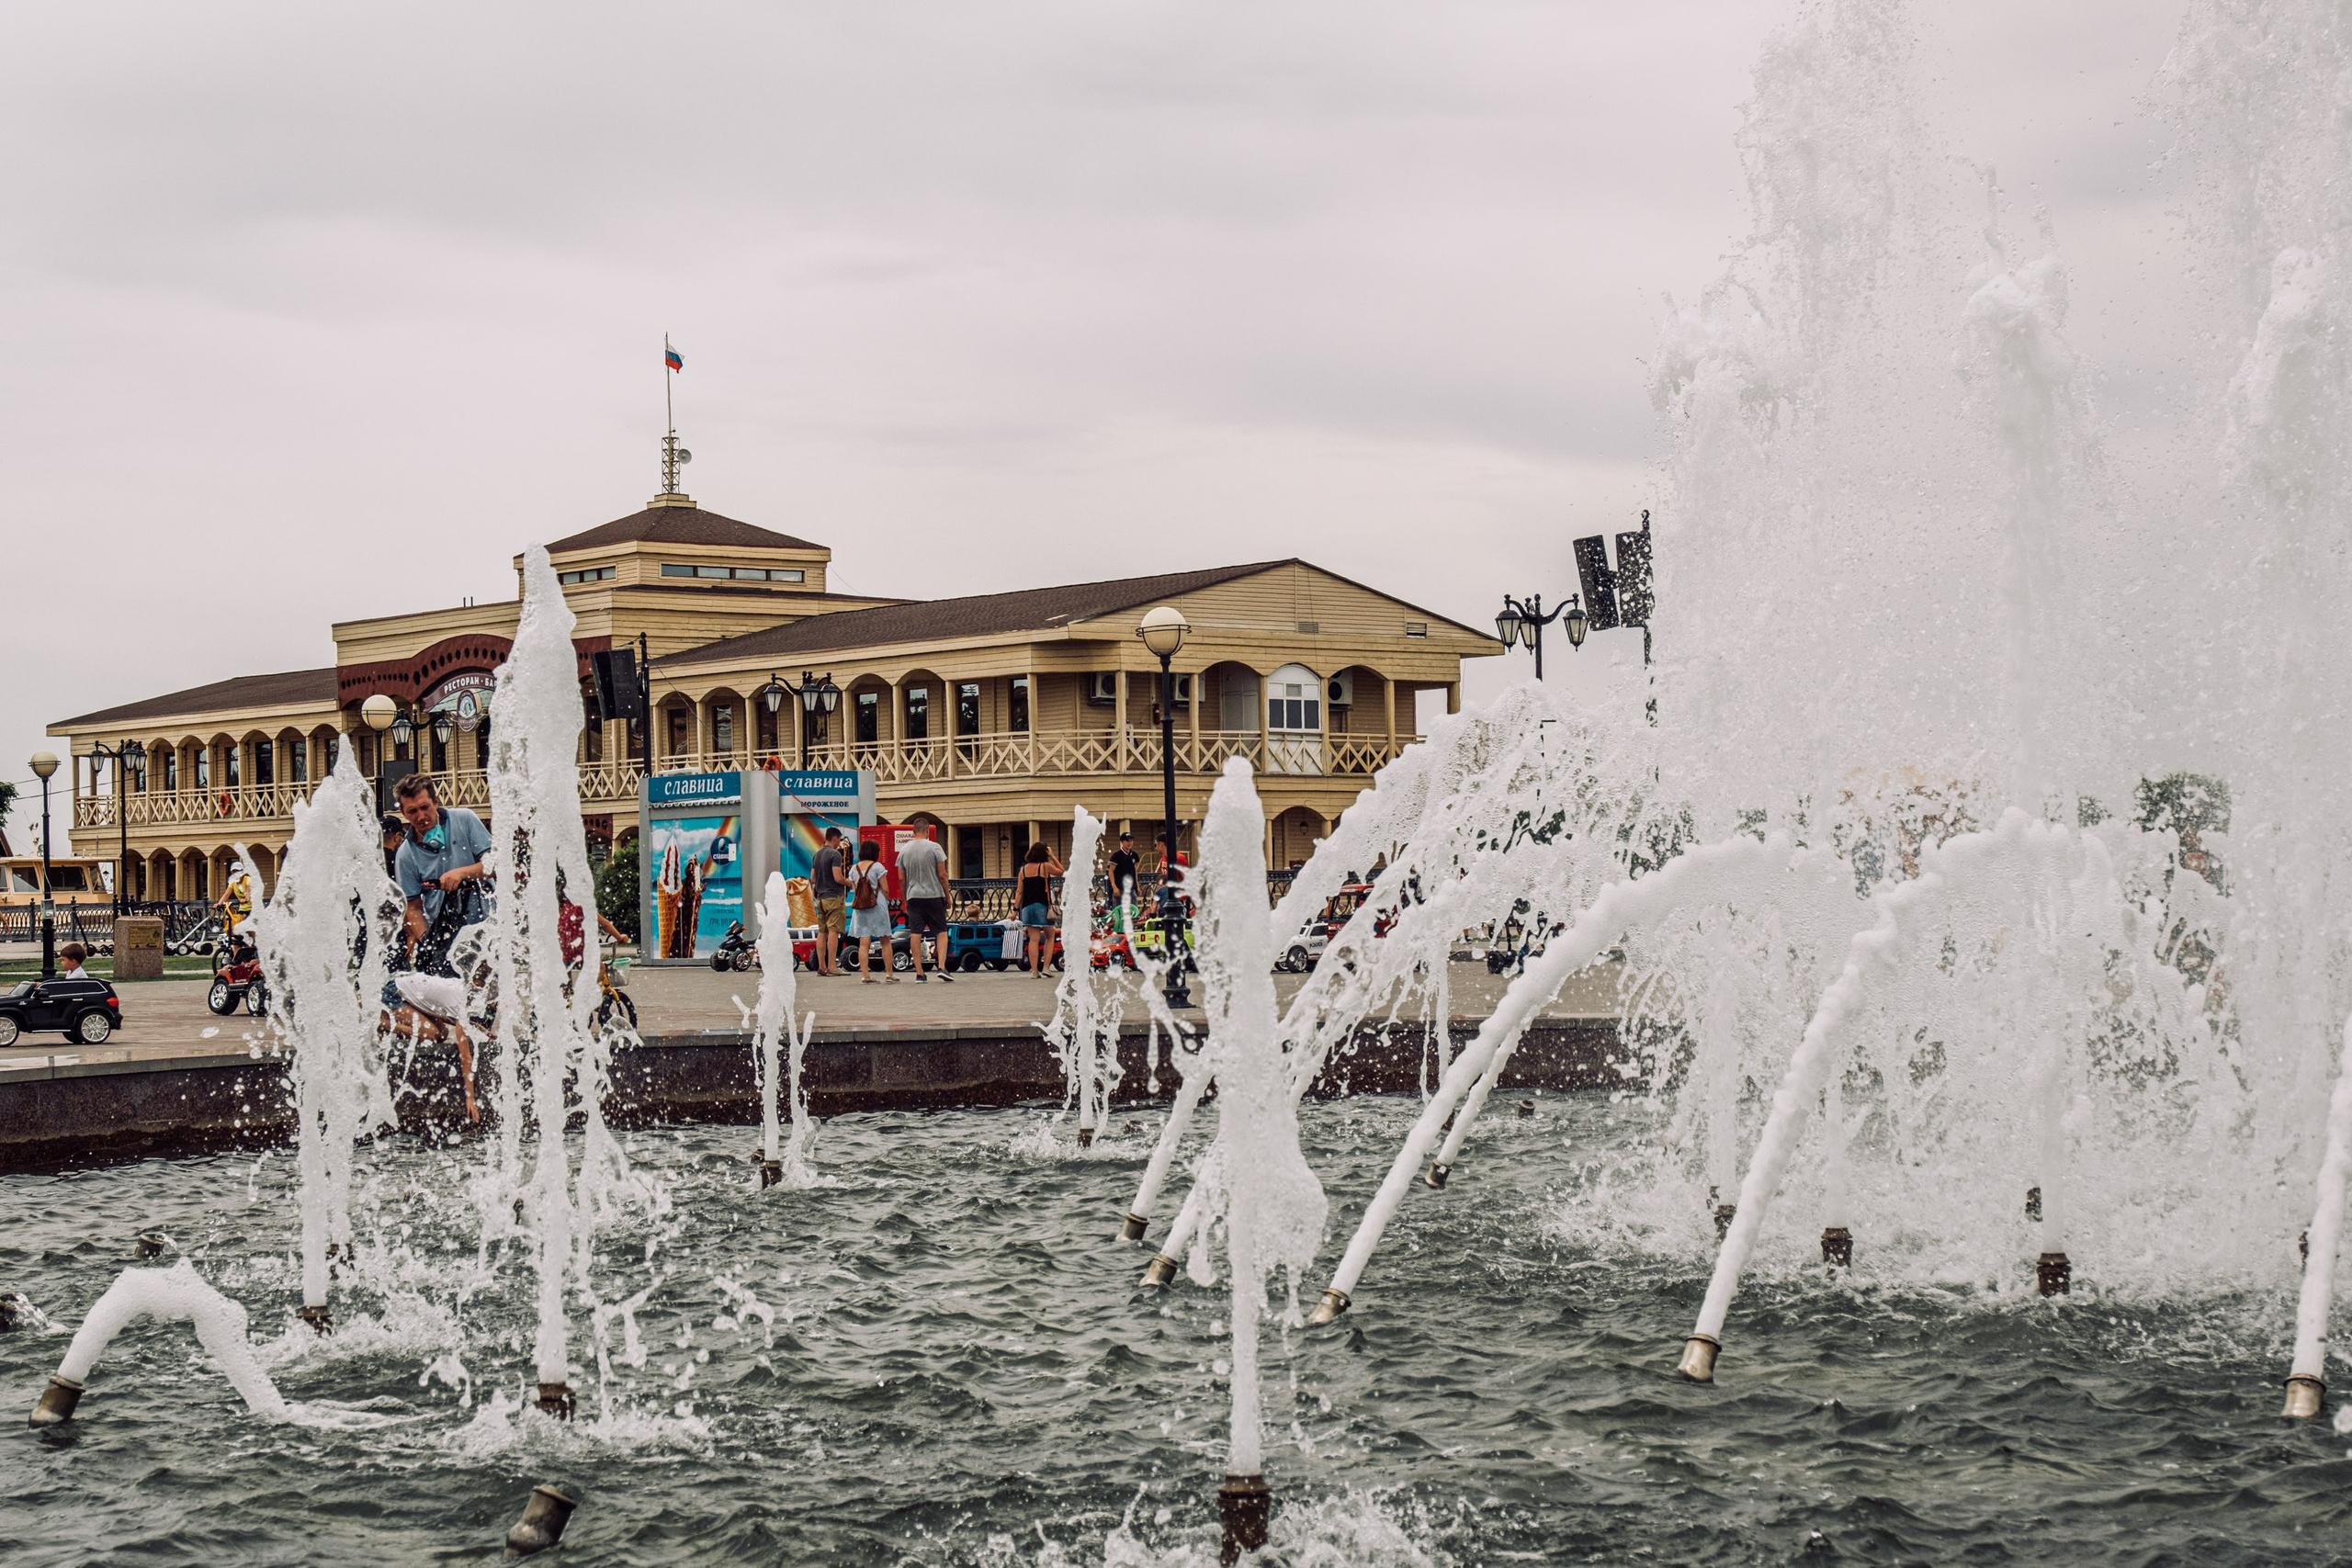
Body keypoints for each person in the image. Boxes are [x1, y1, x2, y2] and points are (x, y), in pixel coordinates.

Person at [390, 774, 492, 1122]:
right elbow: (413, 908)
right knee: (464, 1012)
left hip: (484, 931)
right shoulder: (406, 854)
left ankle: (480, 1068)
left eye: (425, 807)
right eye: (412, 812)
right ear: (404, 814)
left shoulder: (464, 821)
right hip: (445, 938)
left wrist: (463, 873)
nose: (421, 816)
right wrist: (428, 943)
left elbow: (495, 865)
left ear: (436, 802)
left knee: (478, 1007)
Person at [897, 824, 952, 982]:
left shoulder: (904, 850)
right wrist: (947, 895)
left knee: (916, 933)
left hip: (913, 896)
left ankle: (919, 973)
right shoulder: (935, 847)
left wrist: (906, 898)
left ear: (913, 832)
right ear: (927, 830)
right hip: (933, 895)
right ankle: (941, 967)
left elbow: (901, 878)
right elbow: (942, 875)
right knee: (941, 932)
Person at [846, 838, 897, 983]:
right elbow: (885, 888)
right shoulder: (877, 867)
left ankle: (865, 976)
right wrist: (886, 898)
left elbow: (855, 889)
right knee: (885, 940)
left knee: (864, 942)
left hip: (860, 906)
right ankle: (889, 974)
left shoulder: (854, 869)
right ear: (875, 852)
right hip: (877, 904)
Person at [1017, 840, 1064, 976]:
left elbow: (1019, 891)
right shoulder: (1045, 866)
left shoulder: (1023, 870)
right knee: (1050, 936)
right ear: (1044, 853)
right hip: (1041, 906)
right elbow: (1061, 871)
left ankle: (1034, 971)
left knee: (1034, 939)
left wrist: (1015, 910)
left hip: (1026, 907)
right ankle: (1046, 968)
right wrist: (1053, 856)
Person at [809, 827, 848, 976]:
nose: (839, 843)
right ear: (835, 838)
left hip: (820, 898)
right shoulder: (835, 854)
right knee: (833, 931)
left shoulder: (817, 854)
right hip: (833, 896)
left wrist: (817, 888)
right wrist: (849, 882)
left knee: (822, 932)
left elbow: (812, 877)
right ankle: (832, 966)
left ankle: (822, 966)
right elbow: (838, 877)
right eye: (839, 840)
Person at [1109, 830, 1140, 930]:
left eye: (1131, 840)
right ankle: (1120, 929)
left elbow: (1134, 871)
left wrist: (1137, 886)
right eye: (1127, 841)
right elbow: (1111, 871)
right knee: (1120, 910)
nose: (1130, 843)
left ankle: (1133, 929)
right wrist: (1114, 887)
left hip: (1131, 888)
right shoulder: (1116, 855)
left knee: (1133, 909)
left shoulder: (1134, 855)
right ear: (1122, 842)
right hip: (1120, 888)